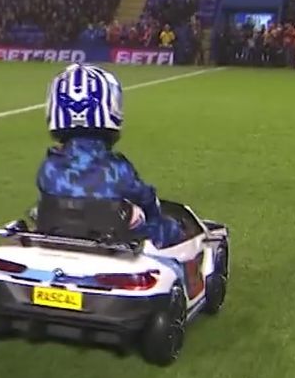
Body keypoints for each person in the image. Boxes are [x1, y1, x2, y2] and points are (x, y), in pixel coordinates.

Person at [36, 63, 185, 248]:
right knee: (168, 228)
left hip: (60, 234)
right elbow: (146, 199)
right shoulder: (118, 169)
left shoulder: (48, 167)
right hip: (111, 239)